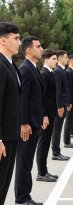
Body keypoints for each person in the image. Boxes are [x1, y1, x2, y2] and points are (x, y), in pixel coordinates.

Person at [15, 36, 45, 205]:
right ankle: (22, 198)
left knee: (26, 162)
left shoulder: (33, 67)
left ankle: (25, 195)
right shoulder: (26, 69)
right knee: (24, 162)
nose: (41, 49)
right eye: (38, 46)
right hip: (28, 125)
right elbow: (22, 99)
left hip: (34, 122)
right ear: (28, 50)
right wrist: (24, 123)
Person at [0, 22, 21, 205]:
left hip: (11, 135)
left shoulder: (11, 65)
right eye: (15, 38)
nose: (19, 42)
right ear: (3, 40)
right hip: (3, 138)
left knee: (5, 185)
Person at [36, 50, 59, 182]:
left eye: (56, 59)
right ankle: (41, 173)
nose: (56, 61)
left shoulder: (50, 73)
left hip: (50, 114)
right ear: (46, 60)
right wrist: (44, 115)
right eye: (53, 59)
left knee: (46, 143)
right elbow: (42, 98)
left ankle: (44, 171)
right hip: (46, 115)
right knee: (43, 144)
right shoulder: (44, 74)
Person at [52, 50, 71, 161]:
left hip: (63, 104)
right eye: (65, 57)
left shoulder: (63, 71)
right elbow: (58, 90)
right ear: (59, 59)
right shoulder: (58, 71)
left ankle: (57, 151)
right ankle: (56, 152)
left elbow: (66, 90)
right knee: (57, 129)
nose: (67, 59)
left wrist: (67, 103)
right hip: (59, 106)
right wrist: (59, 106)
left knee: (58, 129)